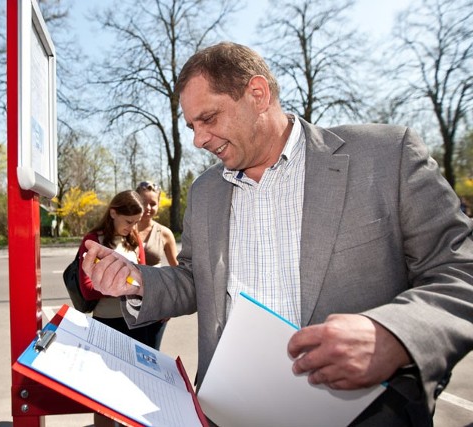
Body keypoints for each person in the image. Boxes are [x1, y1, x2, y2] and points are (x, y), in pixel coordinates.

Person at [82, 42, 473, 426]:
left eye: (209, 119)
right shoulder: (205, 191)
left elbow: (459, 271)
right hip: (228, 410)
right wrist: (136, 281)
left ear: (257, 93)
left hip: (363, 412)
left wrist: (395, 335)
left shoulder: (388, 155)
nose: (198, 139)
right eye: (191, 126)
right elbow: (194, 278)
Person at [78, 190, 164, 349]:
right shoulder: (93, 240)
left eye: (136, 222)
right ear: (113, 213)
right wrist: (123, 286)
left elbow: (143, 279)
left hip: (137, 322)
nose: (132, 227)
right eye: (129, 221)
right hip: (107, 321)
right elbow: (87, 290)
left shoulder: (134, 239)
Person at [135, 181, 178, 349]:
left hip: (156, 304)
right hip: (126, 304)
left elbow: (178, 270)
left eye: (152, 203)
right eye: (143, 202)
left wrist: (171, 304)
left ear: (158, 204)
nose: (148, 207)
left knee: (151, 354)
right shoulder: (126, 227)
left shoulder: (165, 234)